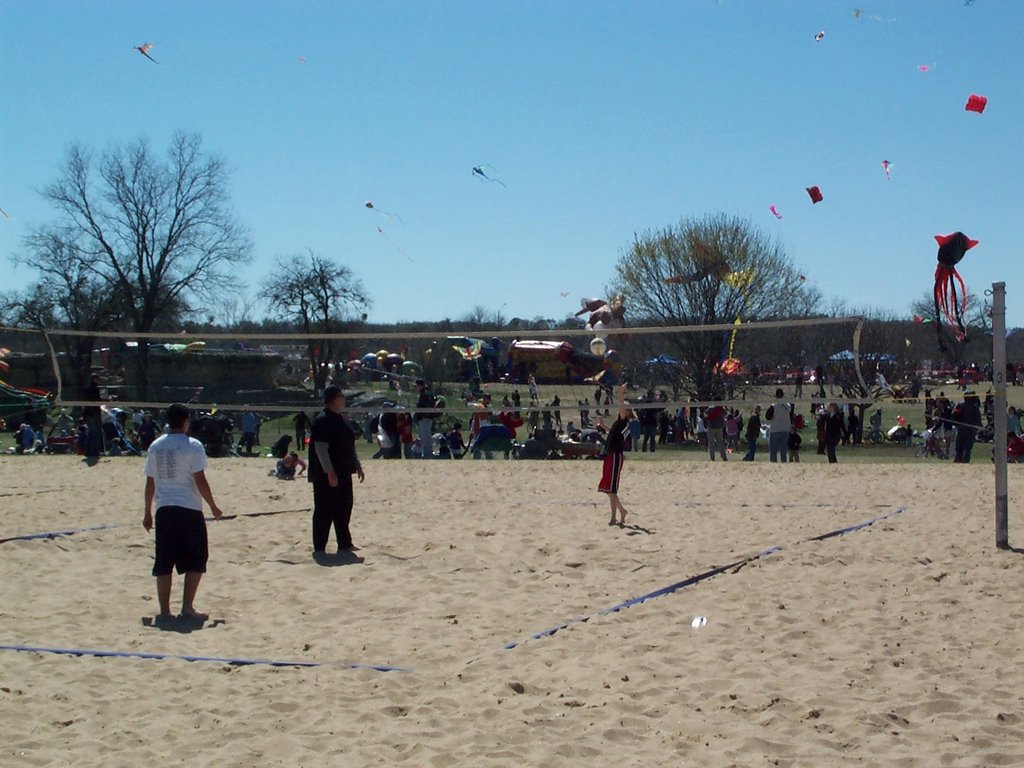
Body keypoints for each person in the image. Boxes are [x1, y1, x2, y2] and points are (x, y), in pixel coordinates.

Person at [142, 402, 224, 620]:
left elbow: (150, 483)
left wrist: (147, 512)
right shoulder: (193, 445)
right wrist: (213, 506)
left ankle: (165, 611)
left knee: (164, 560)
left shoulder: (155, 446)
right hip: (189, 508)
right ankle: (187, 607)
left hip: (165, 509)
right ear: (186, 421)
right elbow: (200, 480)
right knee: (196, 558)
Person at [308, 386, 365, 555]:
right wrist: (329, 472)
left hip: (344, 471)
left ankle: (345, 543)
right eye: (341, 396)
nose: (343, 399)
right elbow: (321, 449)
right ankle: (320, 547)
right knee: (324, 510)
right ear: (333, 399)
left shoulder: (342, 420)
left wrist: (358, 465)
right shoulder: (322, 420)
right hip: (326, 475)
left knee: (344, 508)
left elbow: (350, 446)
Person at [599, 384, 632, 527]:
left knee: (611, 489)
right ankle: (622, 511)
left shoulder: (624, 421)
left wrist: (621, 392)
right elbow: (612, 435)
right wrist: (602, 426)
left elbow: (620, 404)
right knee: (607, 488)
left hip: (616, 456)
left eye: (623, 408)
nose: (621, 409)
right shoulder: (618, 424)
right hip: (609, 455)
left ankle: (614, 517)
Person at [952, 390, 982, 463]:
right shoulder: (961, 405)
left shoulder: (974, 407)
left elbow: (977, 418)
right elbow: (954, 415)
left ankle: (962, 460)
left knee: (965, 447)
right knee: (961, 446)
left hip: (969, 429)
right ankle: (960, 459)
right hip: (964, 429)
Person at [765, 389, 792, 463]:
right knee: (784, 451)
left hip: (775, 429)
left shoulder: (773, 406)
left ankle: (773, 465)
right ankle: (784, 465)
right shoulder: (788, 405)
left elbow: (767, 417)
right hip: (785, 429)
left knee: (773, 451)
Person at [414, 379, 437, 459]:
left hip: (425, 418)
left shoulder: (425, 394)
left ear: (421, 386)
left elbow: (427, 406)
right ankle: (427, 454)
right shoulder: (425, 393)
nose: (416, 388)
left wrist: (424, 415)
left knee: (426, 438)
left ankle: (428, 455)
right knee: (424, 438)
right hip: (424, 418)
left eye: (416, 386)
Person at [83, 373, 104, 458]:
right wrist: (106, 400)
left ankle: (89, 451)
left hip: (89, 414)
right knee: (95, 432)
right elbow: (96, 400)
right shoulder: (94, 389)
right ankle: (94, 451)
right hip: (93, 414)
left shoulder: (87, 389)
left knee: (92, 433)